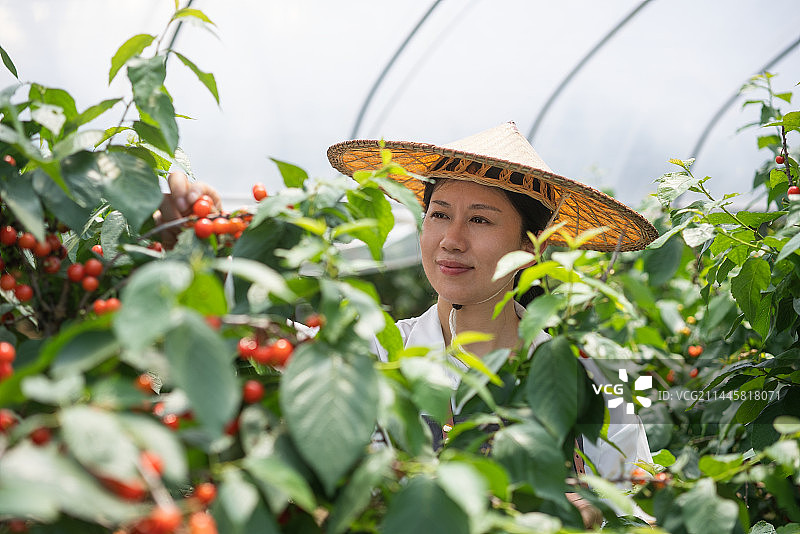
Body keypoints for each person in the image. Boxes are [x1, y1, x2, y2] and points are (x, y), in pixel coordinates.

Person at [327, 121, 659, 528]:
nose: (451, 238)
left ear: (529, 245)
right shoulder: (375, 355)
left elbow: (640, 504)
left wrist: (595, 513)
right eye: (439, 214)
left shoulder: (598, 378)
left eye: (480, 220)